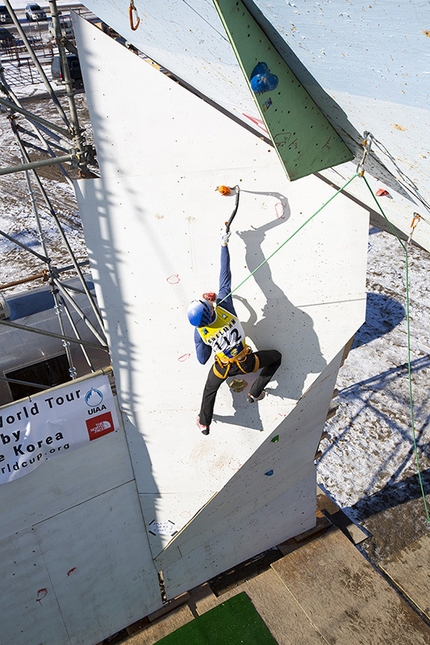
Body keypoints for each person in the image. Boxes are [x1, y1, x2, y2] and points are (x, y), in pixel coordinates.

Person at [187, 231, 282, 435]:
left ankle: (204, 423)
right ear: (210, 307)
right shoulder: (225, 305)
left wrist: (206, 341)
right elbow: (225, 273)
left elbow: (203, 359)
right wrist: (224, 244)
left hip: (223, 369)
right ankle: (255, 392)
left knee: (209, 390)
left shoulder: (200, 333)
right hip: (247, 362)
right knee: (276, 358)